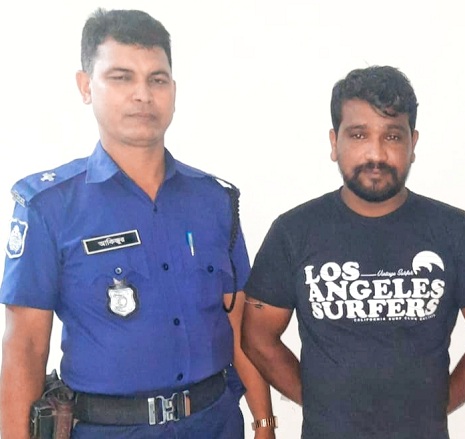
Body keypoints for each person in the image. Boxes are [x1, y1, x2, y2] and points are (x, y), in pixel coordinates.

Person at [0, 9, 275, 439]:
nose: (143, 95)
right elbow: (25, 349)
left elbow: (239, 329)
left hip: (215, 423)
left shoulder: (215, 201)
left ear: (173, 91)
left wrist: (264, 422)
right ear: (86, 86)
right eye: (121, 77)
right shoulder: (49, 207)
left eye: (157, 80)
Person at [241, 65, 465, 438]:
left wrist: (438, 404)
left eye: (392, 136)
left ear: (412, 144)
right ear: (334, 142)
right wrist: (318, 402)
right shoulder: (293, 232)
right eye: (358, 135)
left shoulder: (454, 231)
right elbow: (257, 336)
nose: (376, 153)